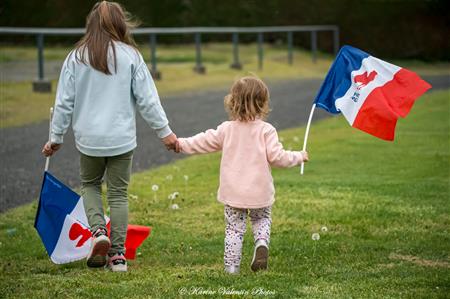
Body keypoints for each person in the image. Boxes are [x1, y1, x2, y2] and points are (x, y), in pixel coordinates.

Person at [41, 1, 178, 272]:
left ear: (90, 24)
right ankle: (117, 256)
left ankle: (98, 233)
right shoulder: (131, 56)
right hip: (122, 140)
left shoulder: (76, 57)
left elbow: (64, 102)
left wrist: (55, 137)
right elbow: (148, 101)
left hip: (89, 140)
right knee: (118, 194)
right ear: (120, 24)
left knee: (90, 185)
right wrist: (166, 133)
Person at [176, 76, 309, 274]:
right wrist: (299, 156)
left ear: (233, 102)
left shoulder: (226, 129)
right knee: (261, 219)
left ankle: (231, 267)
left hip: (233, 192)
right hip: (259, 192)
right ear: (263, 103)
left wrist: (180, 144)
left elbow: (203, 141)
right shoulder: (267, 130)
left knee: (234, 228)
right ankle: (261, 242)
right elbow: (278, 157)